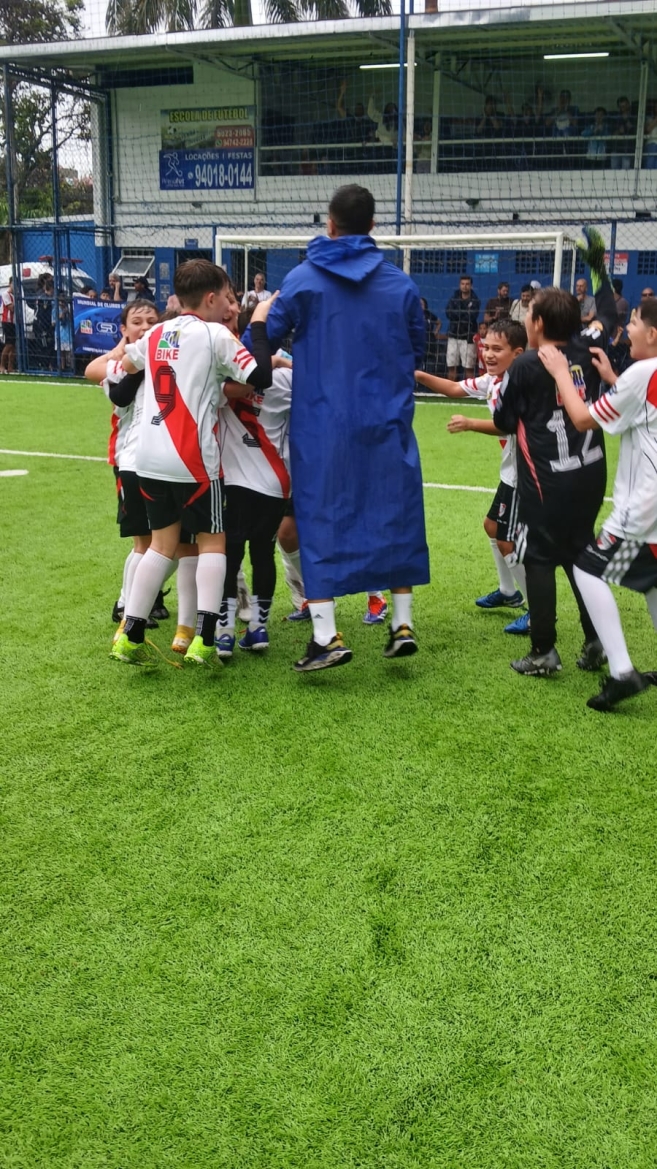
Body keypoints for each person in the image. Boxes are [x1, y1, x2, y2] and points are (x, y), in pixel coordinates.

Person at [246, 184, 429, 671]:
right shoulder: (401, 285)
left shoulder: (302, 280)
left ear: (329, 224)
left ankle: (326, 635)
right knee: (397, 513)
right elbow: (417, 349)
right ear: (372, 226)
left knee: (319, 518)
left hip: (323, 423)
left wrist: (260, 327)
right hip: (387, 418)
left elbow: (258, 343)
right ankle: (402, 624)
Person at [111, 258, 274, 669]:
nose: (228, 306)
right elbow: (259, 376)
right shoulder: (215, 334)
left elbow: (124, 370)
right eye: (226, 298)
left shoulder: (156, 333)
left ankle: (130, 634)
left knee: (161, 545)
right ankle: (204, 637)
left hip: (149, 458)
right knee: (212, 542)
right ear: (211, 297)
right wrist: (257, 323)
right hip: (194, 459)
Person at [492, 227, 618, 678]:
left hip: (548, 482)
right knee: (580, 553)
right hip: (590, 475)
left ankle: (543, 650)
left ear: (539, 324)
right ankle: (596, 639)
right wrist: (598, 269)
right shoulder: (590, 344)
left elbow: (505, 421)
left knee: (539, 559)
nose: (525, 318)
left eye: (529, 313)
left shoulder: (526, 365)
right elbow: (608, 312)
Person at [536, 296, 657, 712]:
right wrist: (612, 378)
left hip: (645, 500)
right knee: (653, 581)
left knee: (587, 569)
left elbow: (584, 419)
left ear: (652, 334)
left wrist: (560, 373)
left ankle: (622, 672)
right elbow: (637, 410)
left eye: (634, 323)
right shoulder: (643, 374)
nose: (627, 330)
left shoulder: (642, 373)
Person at [415, 319, 529, 633]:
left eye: (497, 349)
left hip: (525, 473)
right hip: (511, 469)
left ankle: (538, 612)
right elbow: (455, 388)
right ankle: (509, 592)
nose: (488, 354)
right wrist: (417, 375)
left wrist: (470, 423)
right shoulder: (493, 380)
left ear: (517, 353)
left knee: (507, 540)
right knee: (492, 526)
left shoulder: (520, 383)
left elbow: (510, 426)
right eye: (486, 347)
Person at [85, 300, 171, 632]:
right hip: (130, 460)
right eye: (137, 321)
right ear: (123, 329)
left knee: (167, 541)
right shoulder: (122, 365)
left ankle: (146, 599)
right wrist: (123, 350)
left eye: (151, 320)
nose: (145, 326)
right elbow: (92, 371)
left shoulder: (161, 358)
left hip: (161, 461)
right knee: (145, 542)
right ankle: (126, 604)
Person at [215, 307, 293, 658]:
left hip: (231, 483)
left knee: (229, 555)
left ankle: (225, 632)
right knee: (263, 553)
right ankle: (258, 629)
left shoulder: (222, 376)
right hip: (274, 484)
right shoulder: (288, 380)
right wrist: (281, 363)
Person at [445, 276, 480, 379]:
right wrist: (464, 313)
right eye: (462, 284)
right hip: (453, 335)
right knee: (451, 366)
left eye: (467, 284)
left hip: (468, 338)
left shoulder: (475, 300)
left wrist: (457, 314)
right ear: (459, 285)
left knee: (469, 367)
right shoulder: (453, 298)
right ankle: (451, 388)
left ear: (471, 285)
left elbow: (472, 316)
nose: (465, 286)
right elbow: (448, 313)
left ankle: (468, 389)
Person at [610, 96, 635, 170]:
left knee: (626, 172)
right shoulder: (615, 119)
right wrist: (619, 131)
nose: (624, 108)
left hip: (629, 149)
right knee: (614, 173)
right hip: (616, 149)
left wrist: (626, 120)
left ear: (629, 105)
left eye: (625, 106)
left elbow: (635, 131)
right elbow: (611, 134)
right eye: (621, 107)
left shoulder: (635, 117)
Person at [1, 277, 16, 374]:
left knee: (13, 345)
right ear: (10, 283)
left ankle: (10, 367)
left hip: (13, 322)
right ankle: (2, 365)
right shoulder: (5, 294)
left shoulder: (14, 296)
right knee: (8, 344)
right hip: (7, 321)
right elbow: (11, 308)